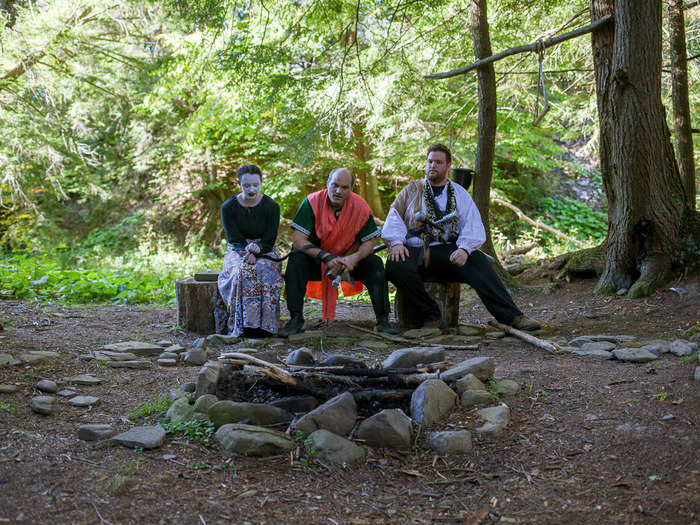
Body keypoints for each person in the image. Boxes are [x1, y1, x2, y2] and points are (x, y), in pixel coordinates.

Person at [382, 144, 541, 331]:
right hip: (415, 250)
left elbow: (473, 225)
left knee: (478, 261)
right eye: (430, 161)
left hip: (446, 253)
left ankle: (513, 317)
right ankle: (431, 316)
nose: (433, 165)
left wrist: (464, 249)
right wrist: (396, 243)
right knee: (394, 266)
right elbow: (393, 219)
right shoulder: (411, 191)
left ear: (448, 165)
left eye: (438, 162)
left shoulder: (459, 194)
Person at [279, 167, 398, 337]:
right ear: (327, 183)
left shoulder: (360, 206)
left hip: (348, 260)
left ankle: (382, 320)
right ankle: (296, 319)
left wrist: (353, 259)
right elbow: (298, 240)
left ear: (351, 188)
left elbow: (368, 244)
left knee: (375, 264)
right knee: (296, 260)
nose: (338, 191)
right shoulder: (311, 202)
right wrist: (325, 256)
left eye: (344, 187)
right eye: (334, 185)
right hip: (317, 260)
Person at [217, 164, 283, 337]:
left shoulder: (271, 206)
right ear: (239, 184)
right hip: (238, 249)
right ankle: (243, 325)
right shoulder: (228, 207)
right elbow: (233, 238)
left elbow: (270, 238)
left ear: (261, 182)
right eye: (247, 185)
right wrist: (246, 253)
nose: (251, 189)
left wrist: (258, 250)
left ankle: (265, 327)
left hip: (265, 247)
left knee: (264, 270)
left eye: (255, 185)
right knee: (241, 270)